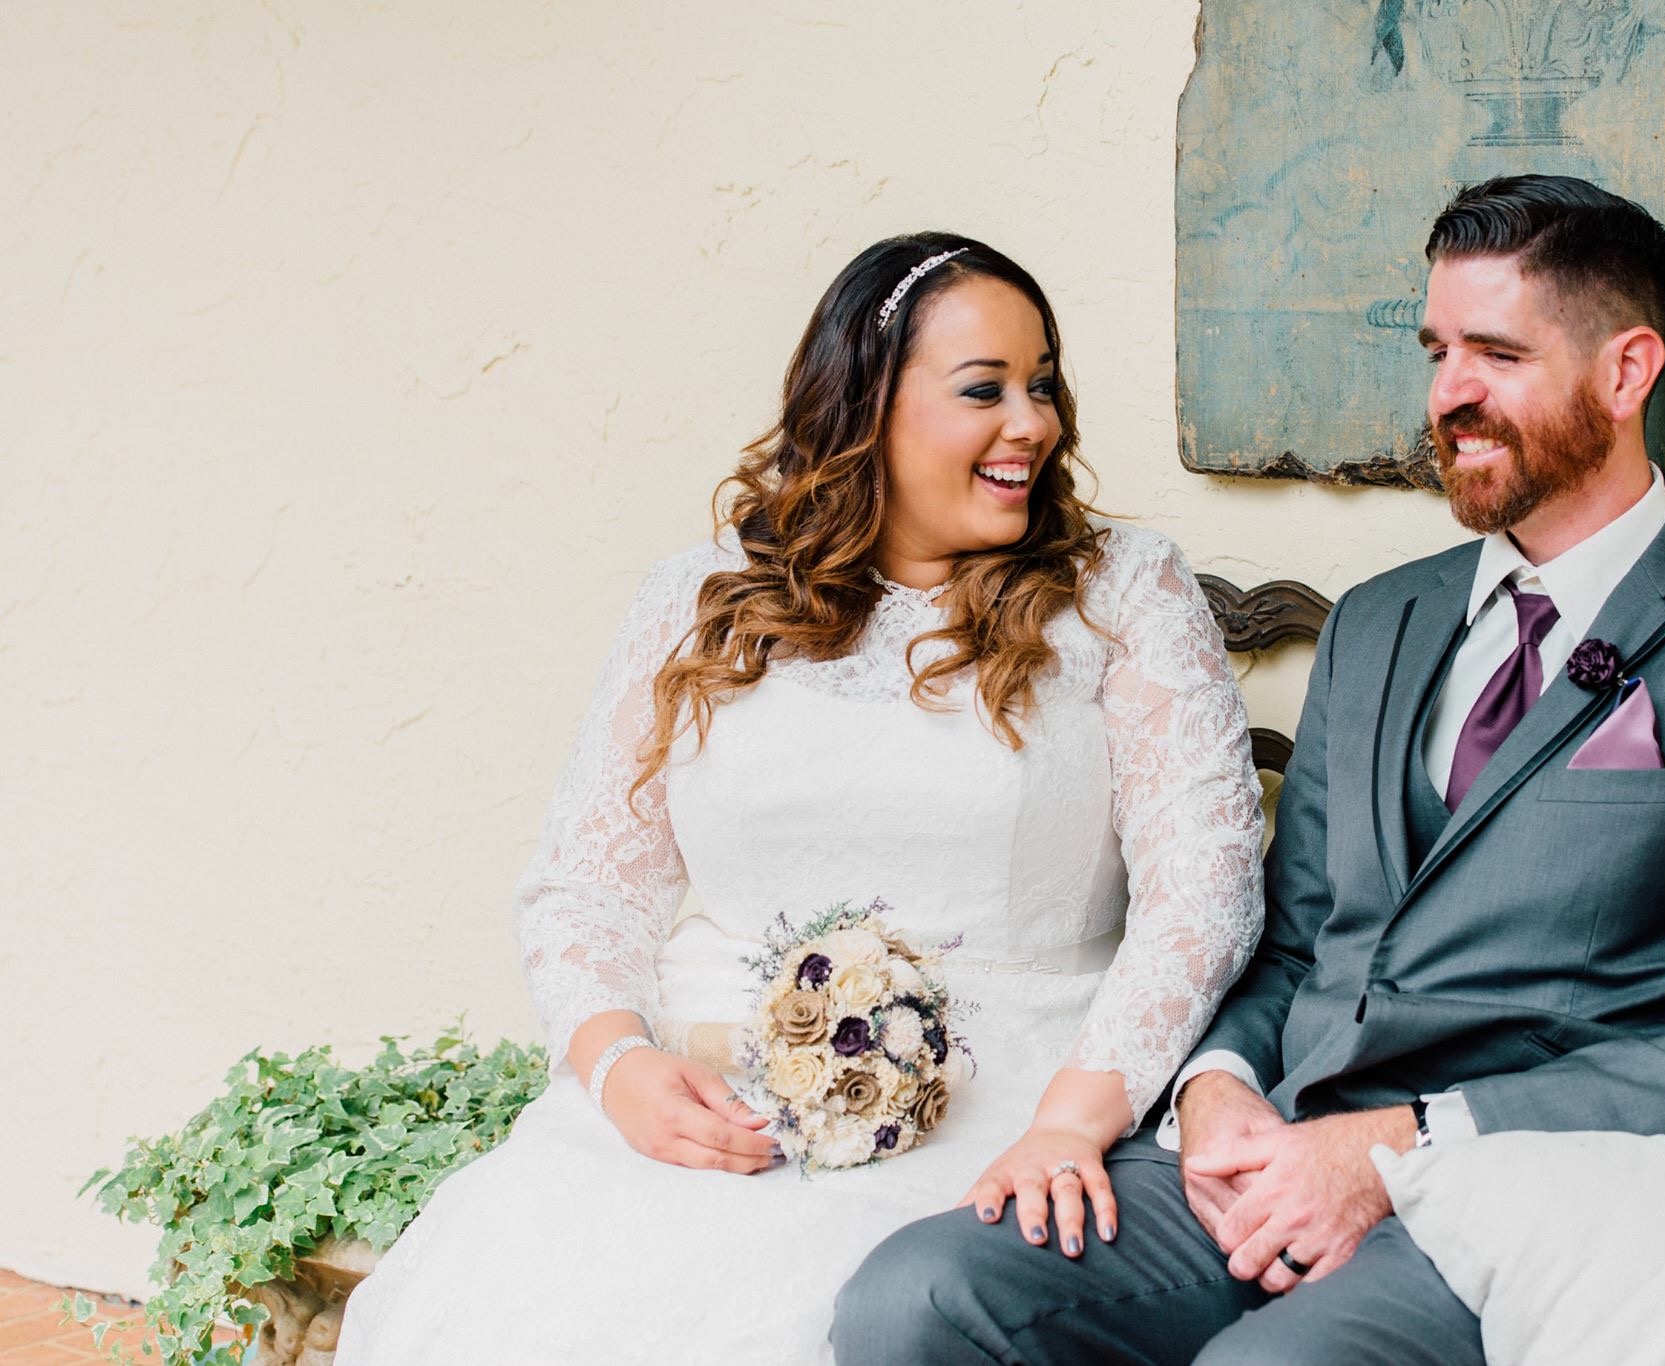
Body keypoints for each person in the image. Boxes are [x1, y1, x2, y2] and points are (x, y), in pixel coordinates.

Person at [833, 176, 1665, 1364]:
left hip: (1509, 1191)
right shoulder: (1379, 623)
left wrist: (1399, 1146)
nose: (1448, 395)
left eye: (1494, 354)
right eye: (1437, 350)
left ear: (1626, 371)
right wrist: (1219, 1081)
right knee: (915, 1298)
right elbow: (1293, 942)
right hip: (1265, 1149)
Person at [333, 232, 1265, 1364]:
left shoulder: (1121, 590)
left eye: (1042, 384)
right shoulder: (700, 598)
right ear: (862, 408)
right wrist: (620, 1067)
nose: (1034, 423)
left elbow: (1200, 898)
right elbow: (587, 886)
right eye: (985, 390)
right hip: (701, 1098)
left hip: (1008, 1103)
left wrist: (1070, 1120)